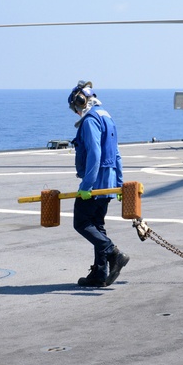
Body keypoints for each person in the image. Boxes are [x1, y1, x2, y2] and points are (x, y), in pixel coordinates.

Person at [68, 81, 130, 288]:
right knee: (97, 225)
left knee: (82, 223)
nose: (77, 113)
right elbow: (117, 153)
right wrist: (119, 184)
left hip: (95, 183)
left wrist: (87, 185)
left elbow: (95, 153)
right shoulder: (107, 117)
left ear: (80, 101)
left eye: (75, 109)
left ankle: (114, 253)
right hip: (109, 182)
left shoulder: (90, 121)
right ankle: (100, 273)